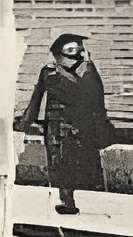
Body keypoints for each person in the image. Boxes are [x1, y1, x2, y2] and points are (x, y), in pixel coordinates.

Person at [17, 33, 114, 216]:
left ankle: (77, 199)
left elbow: (95, 97)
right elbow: (36, 99)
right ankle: (68, 201)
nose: (76, 53)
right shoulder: (53, 72)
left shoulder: (86, 71)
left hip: (77, 126)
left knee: (76, 163)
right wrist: (24, 123)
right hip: (60, 128)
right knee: (61, 165)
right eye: (70, 50)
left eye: (78, 49)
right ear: (59, 54)